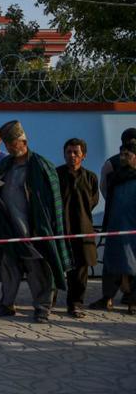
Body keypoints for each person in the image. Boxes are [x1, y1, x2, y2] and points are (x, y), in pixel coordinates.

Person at [0, 120, 71, 323]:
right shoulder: (6, 165)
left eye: (12, 143)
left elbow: (51, 201)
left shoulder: (40, 165)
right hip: (9, 228)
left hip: (34, 229)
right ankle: (7, 304)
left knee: (38, 270)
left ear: (23, 141)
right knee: (8, 268)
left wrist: (45, 226)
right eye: (7, 144)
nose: (9, 147)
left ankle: (42, 308)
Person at [92, 127, 136, 310]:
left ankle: (128, 298)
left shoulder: (112, 163)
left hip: (124, 219)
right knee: (114, 259)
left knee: (124, 258)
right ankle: (111, 297)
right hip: (118, 220)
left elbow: (104, 188)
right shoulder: (112, 163)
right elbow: (104, 189)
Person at [56, 138, 99, 318]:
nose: (72, 156)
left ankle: (76, 304)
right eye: (69, 152)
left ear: (84, 155)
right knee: (55, 266)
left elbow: (93, 200)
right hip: (60, 229)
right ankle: (47, 303)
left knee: (80, 269)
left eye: (76, 152)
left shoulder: (90, 177)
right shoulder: (56, 175)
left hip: (82, 228)